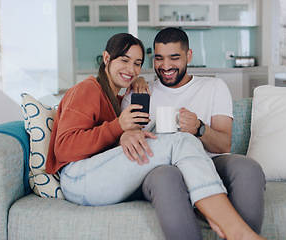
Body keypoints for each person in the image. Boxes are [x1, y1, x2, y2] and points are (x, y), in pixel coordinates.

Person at [46, 32, 265, 240]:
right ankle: (234, 229)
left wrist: (135, 86)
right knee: (180, 139)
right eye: (124, 60)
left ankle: (224, 221)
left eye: (137, 63)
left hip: (98, 176)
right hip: (77, 179)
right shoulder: (87, 89)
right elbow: (63, 148)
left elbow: (112, 142)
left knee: (167, 136)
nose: (131, 68)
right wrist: (117, 128)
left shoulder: (117, 95)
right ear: (106, 58)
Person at [122, 27, 266, 240]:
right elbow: (128, 143)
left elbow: (224, 144)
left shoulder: (214, 87)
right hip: (162, 168)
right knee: (166, 176)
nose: (166, 66)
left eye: (175, 57)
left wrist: (200, 128)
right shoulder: (139, 93)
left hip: (209, 164)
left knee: (249, 167)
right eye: (159, 58)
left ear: (189, 56)